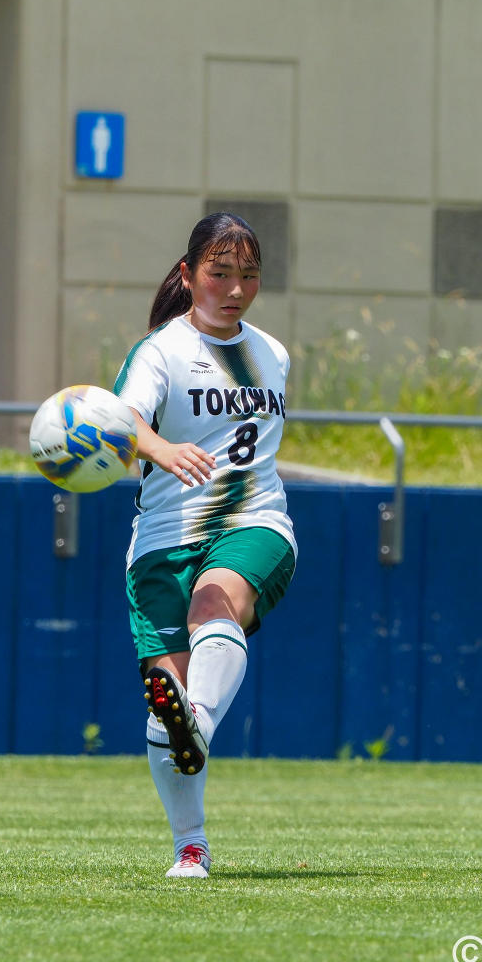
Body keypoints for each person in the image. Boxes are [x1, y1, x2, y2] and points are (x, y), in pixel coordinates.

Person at [112, 212, 296, 878]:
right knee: (164, 719)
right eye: (220, 274)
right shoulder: (161, 350)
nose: (236, 289)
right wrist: (159, 446)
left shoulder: (272, 354)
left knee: (214, 606)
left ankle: (196, 722)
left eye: (249, 275)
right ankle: (191, 846)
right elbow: (122, 418)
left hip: (254, 522)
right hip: (161, 543)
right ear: (188, 275)